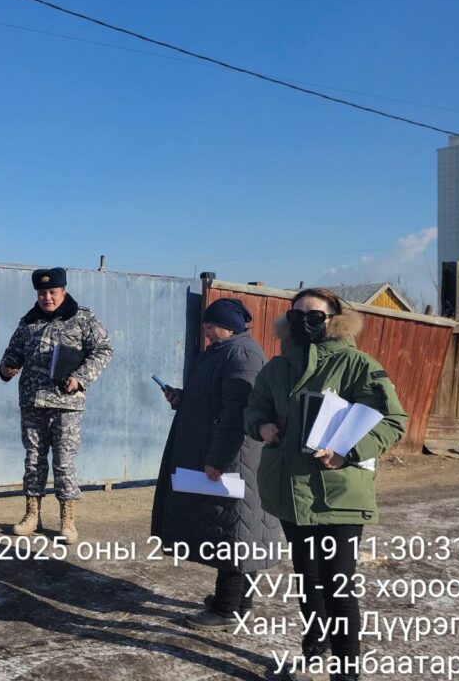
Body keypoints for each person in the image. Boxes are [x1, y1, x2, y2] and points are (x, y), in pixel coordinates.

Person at [244, 288, 406, 681]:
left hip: (338, 494)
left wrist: (348, 451)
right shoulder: (277, 368)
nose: (304, 322)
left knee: (337, 584)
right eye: (296, 315)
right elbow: (255, 407)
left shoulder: (357, 364)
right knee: (307, 577)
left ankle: (346, 671)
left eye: (314, 316)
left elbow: (393, 420)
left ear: (334, 320)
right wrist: (261, 426)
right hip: (289, 490)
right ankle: (314, 651)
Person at [150, 298, 281, 631]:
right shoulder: (224, 352)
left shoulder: (242, 355)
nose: (206, 332)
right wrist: (183, 398)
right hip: (227, 455)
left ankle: (226, 610)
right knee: (239, 530)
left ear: (229, 326)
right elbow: (215, 399)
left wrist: (217, 460)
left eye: (210, 326)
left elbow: (236, 414)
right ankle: (240, 603)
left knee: (234, 532)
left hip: (236, 458)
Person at [0, 267, 113, 544]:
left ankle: (67, 520)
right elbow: (13, 352)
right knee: (33, 460)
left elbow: (104, 350)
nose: (47, 297)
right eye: (42, 293)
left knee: (64, 462)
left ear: (63, 291)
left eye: (52, 292)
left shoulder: (82, 318)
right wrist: (6, 367)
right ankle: (32, 515)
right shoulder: (29, 321)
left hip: (67, 404)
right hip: (32, 401)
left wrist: (81, 378)